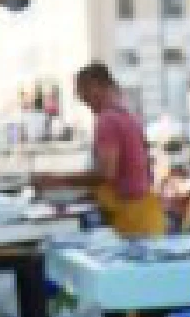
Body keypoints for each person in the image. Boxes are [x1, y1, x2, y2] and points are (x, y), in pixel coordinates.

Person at [33, 63, 166, 237]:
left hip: (134, 219)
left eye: (82, 92)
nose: (82, 99)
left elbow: (106, 173)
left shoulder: (107, 120)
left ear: (96, 85)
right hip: (147, 214)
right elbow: (127, 174)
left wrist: (56, 180)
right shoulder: (127, 116)